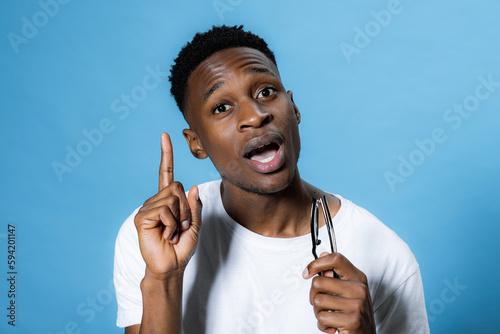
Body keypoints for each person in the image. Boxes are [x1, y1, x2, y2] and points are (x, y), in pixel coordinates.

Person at [114, 25, 430, 334]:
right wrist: (163, 280)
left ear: (293, 107)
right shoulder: (154, 239)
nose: (255, 115)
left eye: (266, 91)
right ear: (196, 143)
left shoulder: (386, 255)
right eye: (222, 107)